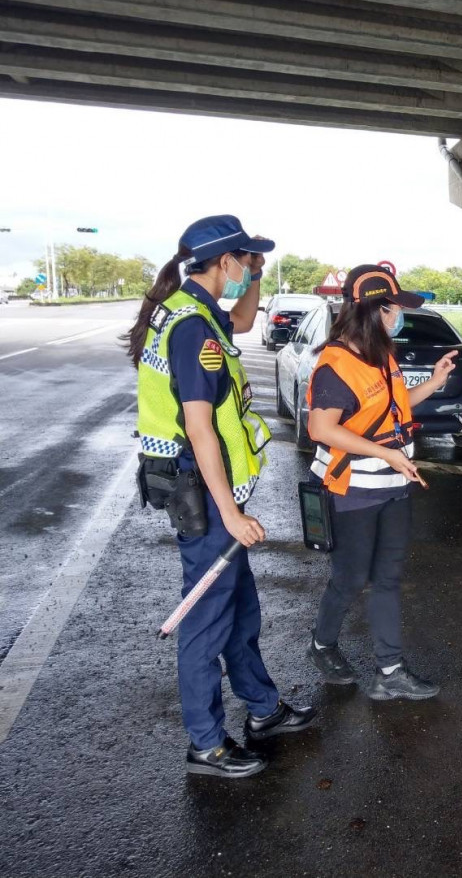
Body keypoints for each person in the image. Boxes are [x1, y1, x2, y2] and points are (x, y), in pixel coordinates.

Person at [127, 214, 315, 779]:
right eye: (245, 261)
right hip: (203, 498)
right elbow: (200, 427)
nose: (249, 270)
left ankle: (261, 709)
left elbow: (242, 316)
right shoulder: (191, 328)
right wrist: (230, 514)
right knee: (207, 620)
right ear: (222, 262)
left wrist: (256, 273)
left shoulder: (202, 312)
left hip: (210, 497)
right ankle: (206, 744)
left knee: (240, 611)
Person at [304, 265, 457, 701]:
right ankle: (321, 643)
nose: (399, 317)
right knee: (351, 579)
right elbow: (321, 428)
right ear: (376, 310)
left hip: (393, 484)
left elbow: (391, 407)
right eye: (395, 309)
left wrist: (434, 383)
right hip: (352, 490)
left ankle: (390, 671)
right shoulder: (335, 365)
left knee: (388, 577)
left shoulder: (380, 354)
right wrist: (386, 453)